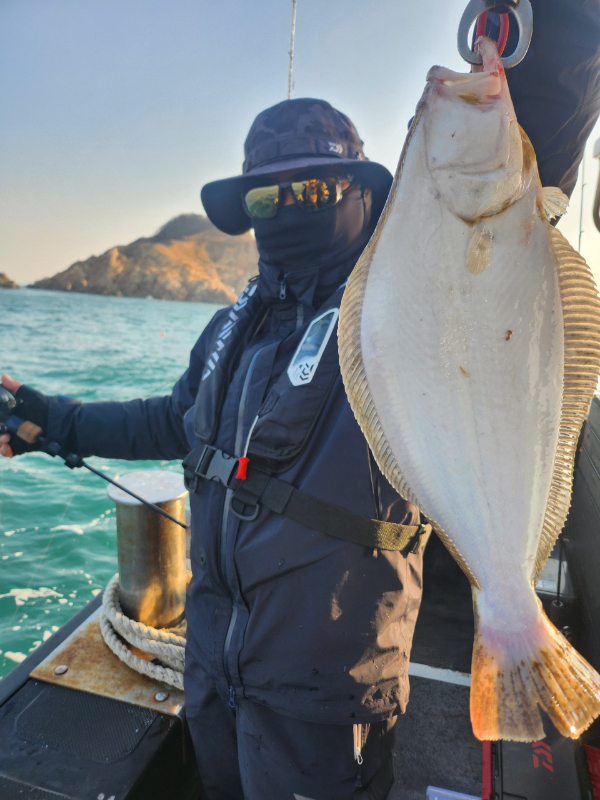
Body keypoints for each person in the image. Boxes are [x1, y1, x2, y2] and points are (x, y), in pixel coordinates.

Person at [2, 2, 599, 797]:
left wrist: (553, 27)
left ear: (358, 190)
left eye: (313, 186)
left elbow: (512, 181)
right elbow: (176, 421)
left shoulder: (395, 298)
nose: (285, 208)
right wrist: (55, 420)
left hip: (330, 693)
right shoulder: (231, 327)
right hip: (218, 673)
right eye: (262, 199)